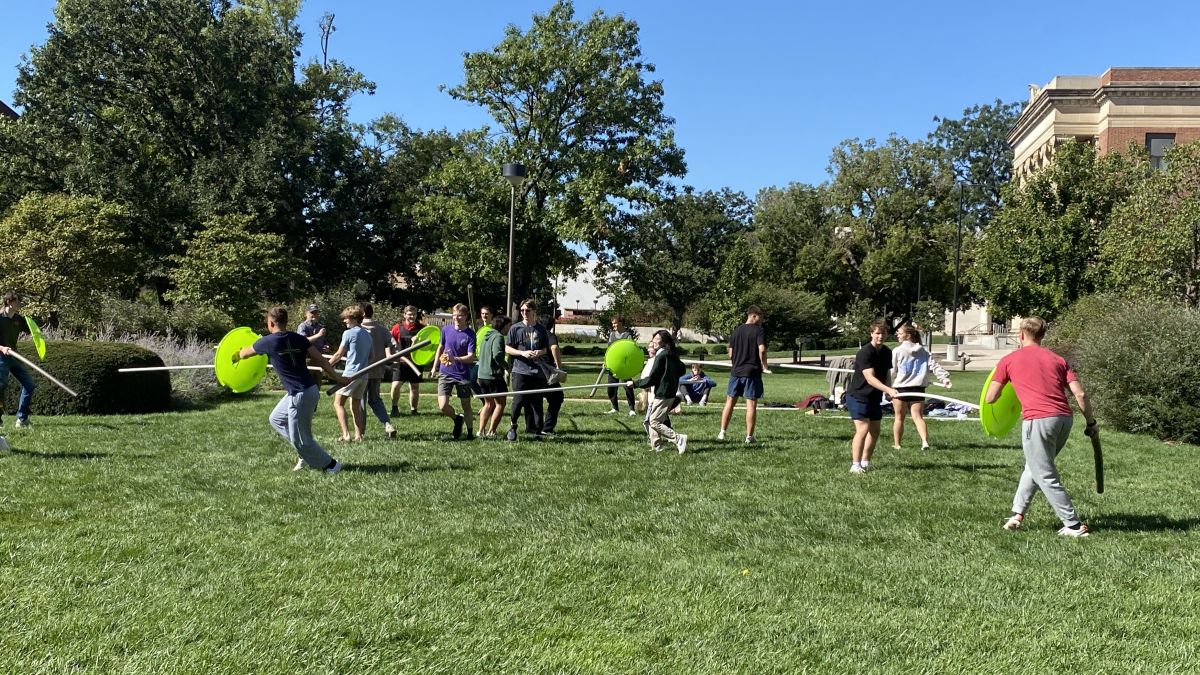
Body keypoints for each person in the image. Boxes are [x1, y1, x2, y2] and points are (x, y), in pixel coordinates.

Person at [987, 317, 1096, 537]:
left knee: (1044, 473)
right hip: (1064, 420)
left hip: (1038, 420)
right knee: (1034, 466)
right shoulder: (1058, 359)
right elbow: (1080, 394)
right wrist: (1091, 422)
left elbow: (990, 398)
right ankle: (1018, 514)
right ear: (1042, 335)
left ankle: (1074, 526)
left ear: (1020, 334)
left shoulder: (1009, 360)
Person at [236, 306, 348, 473]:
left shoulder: (267, 342)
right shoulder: (299, 339)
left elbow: (244, 354)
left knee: (301, 438)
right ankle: (305, 454)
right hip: (304, 390)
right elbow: (323, 362)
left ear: (271, 323)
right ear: (286, 321)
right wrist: (338, 377)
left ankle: (331, 465)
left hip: (300, 394)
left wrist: (233, 355)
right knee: (276, 419)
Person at [846, 320, 899, 474]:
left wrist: (889, 390)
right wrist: (888, 390)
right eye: (877, 333)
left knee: (875, 431)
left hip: (874, 397)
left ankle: (865, 462)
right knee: (862, 430)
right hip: (859, 396)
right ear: (871, 334)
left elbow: (886, 373)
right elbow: (870, 378)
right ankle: (855, 465)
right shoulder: (864, 353)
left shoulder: (887, 352)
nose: (880, 336)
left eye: (883, 333)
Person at [891, 324, 952, 450]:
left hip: (901, 389)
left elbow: (892, 371)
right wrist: (944, 378)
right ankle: (924, 442)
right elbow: (934, 367)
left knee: (899, 418)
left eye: (900, 333)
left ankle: (897, 444)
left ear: (908, 335)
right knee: (918, 417)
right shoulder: (924, 351)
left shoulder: (897, 351)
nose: (897, 335)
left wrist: (886, 385)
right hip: (918, 389)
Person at [627, 330, 688, 454]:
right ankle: (657, 446)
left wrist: (635, 384)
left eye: (657, 339)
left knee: (654, 422)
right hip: (668, 392)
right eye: (653, 339)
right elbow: (682, 370)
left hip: (663, 393)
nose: (654, 342)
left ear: (664, 341)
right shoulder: (671, 354)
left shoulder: (661, 356)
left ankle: (678, 438)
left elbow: (652, 378)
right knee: (653, 419)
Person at [719, 305, 772, 443]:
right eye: (761, 317)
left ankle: (722, 432)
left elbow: (730, 353)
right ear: (754, 316)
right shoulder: (759, 330)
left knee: (729, 402)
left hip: (735, 372)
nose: (762, 320)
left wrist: (736, 362)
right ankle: (749, 436)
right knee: (751, 405)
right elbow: (762, 349)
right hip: (752, 372)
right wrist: (764, 365)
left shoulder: (736, 330)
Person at [504, 298, 551, 442]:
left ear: (534, 312)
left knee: (537, 402)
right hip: (520, 371)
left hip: (537, 372)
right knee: (518, 401)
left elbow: (546, 349)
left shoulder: (541, 329)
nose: (524, 312)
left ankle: (538, 430)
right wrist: (522, 353)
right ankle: (513, 426)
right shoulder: (515, 328)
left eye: (527, 310)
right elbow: (507, 348)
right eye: (522, 310)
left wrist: (539, 352)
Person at [431, 303, 476, 441]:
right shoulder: (446, 330)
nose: (456, 318)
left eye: (460, 315)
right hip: (445, 372)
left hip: (462, 374)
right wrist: (435, 367)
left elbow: (470, 357)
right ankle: (457, 419)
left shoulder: (470, 334)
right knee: (443, 406)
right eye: (454, 315)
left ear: (466, 317)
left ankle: (470, 433)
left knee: (466, 404)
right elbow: (441, 347)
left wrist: (454, 358)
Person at [328, 305, 372, 442]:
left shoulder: (349, 333)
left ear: (353, 318)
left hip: (350, 375)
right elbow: (371, 357)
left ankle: (346, 435)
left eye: (346, 319)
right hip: (364, 376)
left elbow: (339, 354)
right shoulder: (367, 335)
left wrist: (326, 365)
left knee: (338, 403)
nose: (344, 321)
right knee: (355, 405)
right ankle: (359, 436)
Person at [360, 303, 397, 439]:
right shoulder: (382, 329)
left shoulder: (359, 329)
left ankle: (360, 432)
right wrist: (389, 362)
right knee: (375, 399)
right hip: (378, 371)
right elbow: (393, 345)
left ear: (363, 314)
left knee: (360, 401)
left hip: (362, 371)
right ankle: (388, 424)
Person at [0, 292, 36, 431]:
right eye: (18, 302)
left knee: (29, 385)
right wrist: (2, 347)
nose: (20, 304)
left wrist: (36, 331)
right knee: (0, 387)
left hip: (14, 356)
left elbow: (32, 330)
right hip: (1, 357)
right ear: (9, 302)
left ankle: (22, 419)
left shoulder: (18, 319)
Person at [476, 314, 513, 437]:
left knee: (488, 403)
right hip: (493, 376)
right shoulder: (498, 337)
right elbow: (497, 354)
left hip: (482, 375)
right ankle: (492, 431)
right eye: (509, 325)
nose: (509, 328)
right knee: (500, 403)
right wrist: (505, 366)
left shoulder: (487, 335)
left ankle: (480, 431)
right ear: (504, 325)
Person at [390, 305, 424, 416]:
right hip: (401, 361)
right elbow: (390, 341)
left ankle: (414, 410)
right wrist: (392, 355)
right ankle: (394, 408)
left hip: (416, 362)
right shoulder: (397, 327)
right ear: (404, 315)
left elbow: (428, 345)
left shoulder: (422, 328)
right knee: (396, 386)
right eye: (409, 314)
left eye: (414, 314)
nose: (412, 316)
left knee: (414, 387)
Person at [604, 315, 638, 416]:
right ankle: (614, 408)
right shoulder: (612, 334)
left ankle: (632, 409)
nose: (613, 325)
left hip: (625, 365)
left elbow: (630, 349)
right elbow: (609, 350)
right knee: (611, 387)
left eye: (615, 323)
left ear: (621, 323)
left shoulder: (627, 335)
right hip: (613, 365)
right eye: (613, 323)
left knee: (628, 387)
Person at [539, 315, 566, 436]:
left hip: (533, 371)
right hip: (547, 373)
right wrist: (558, 366)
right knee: (557, 398)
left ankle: (533, 427)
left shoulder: (535, 334)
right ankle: (547, 428)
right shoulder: (549, 335)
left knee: (534, 400)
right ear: (551, 325)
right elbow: (554, 347)